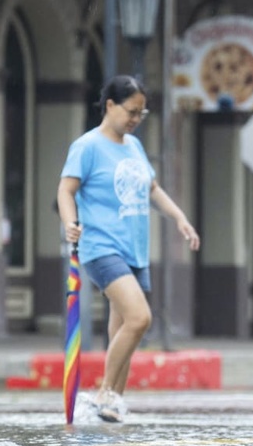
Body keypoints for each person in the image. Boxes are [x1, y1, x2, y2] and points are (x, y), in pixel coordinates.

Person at [56, 75, 200, 422]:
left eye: (141, 113)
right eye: (131, 111)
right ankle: (104, 392)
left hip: (134, 248)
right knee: (140, 318)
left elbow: (151, 189)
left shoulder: (133, 147)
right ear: (110, 105)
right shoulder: (88, 146)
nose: (135, 119)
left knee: (121, 328)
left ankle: (113, 401)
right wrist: (69, 223)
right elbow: (65, 189)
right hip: (101, 246)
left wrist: (179, 217)